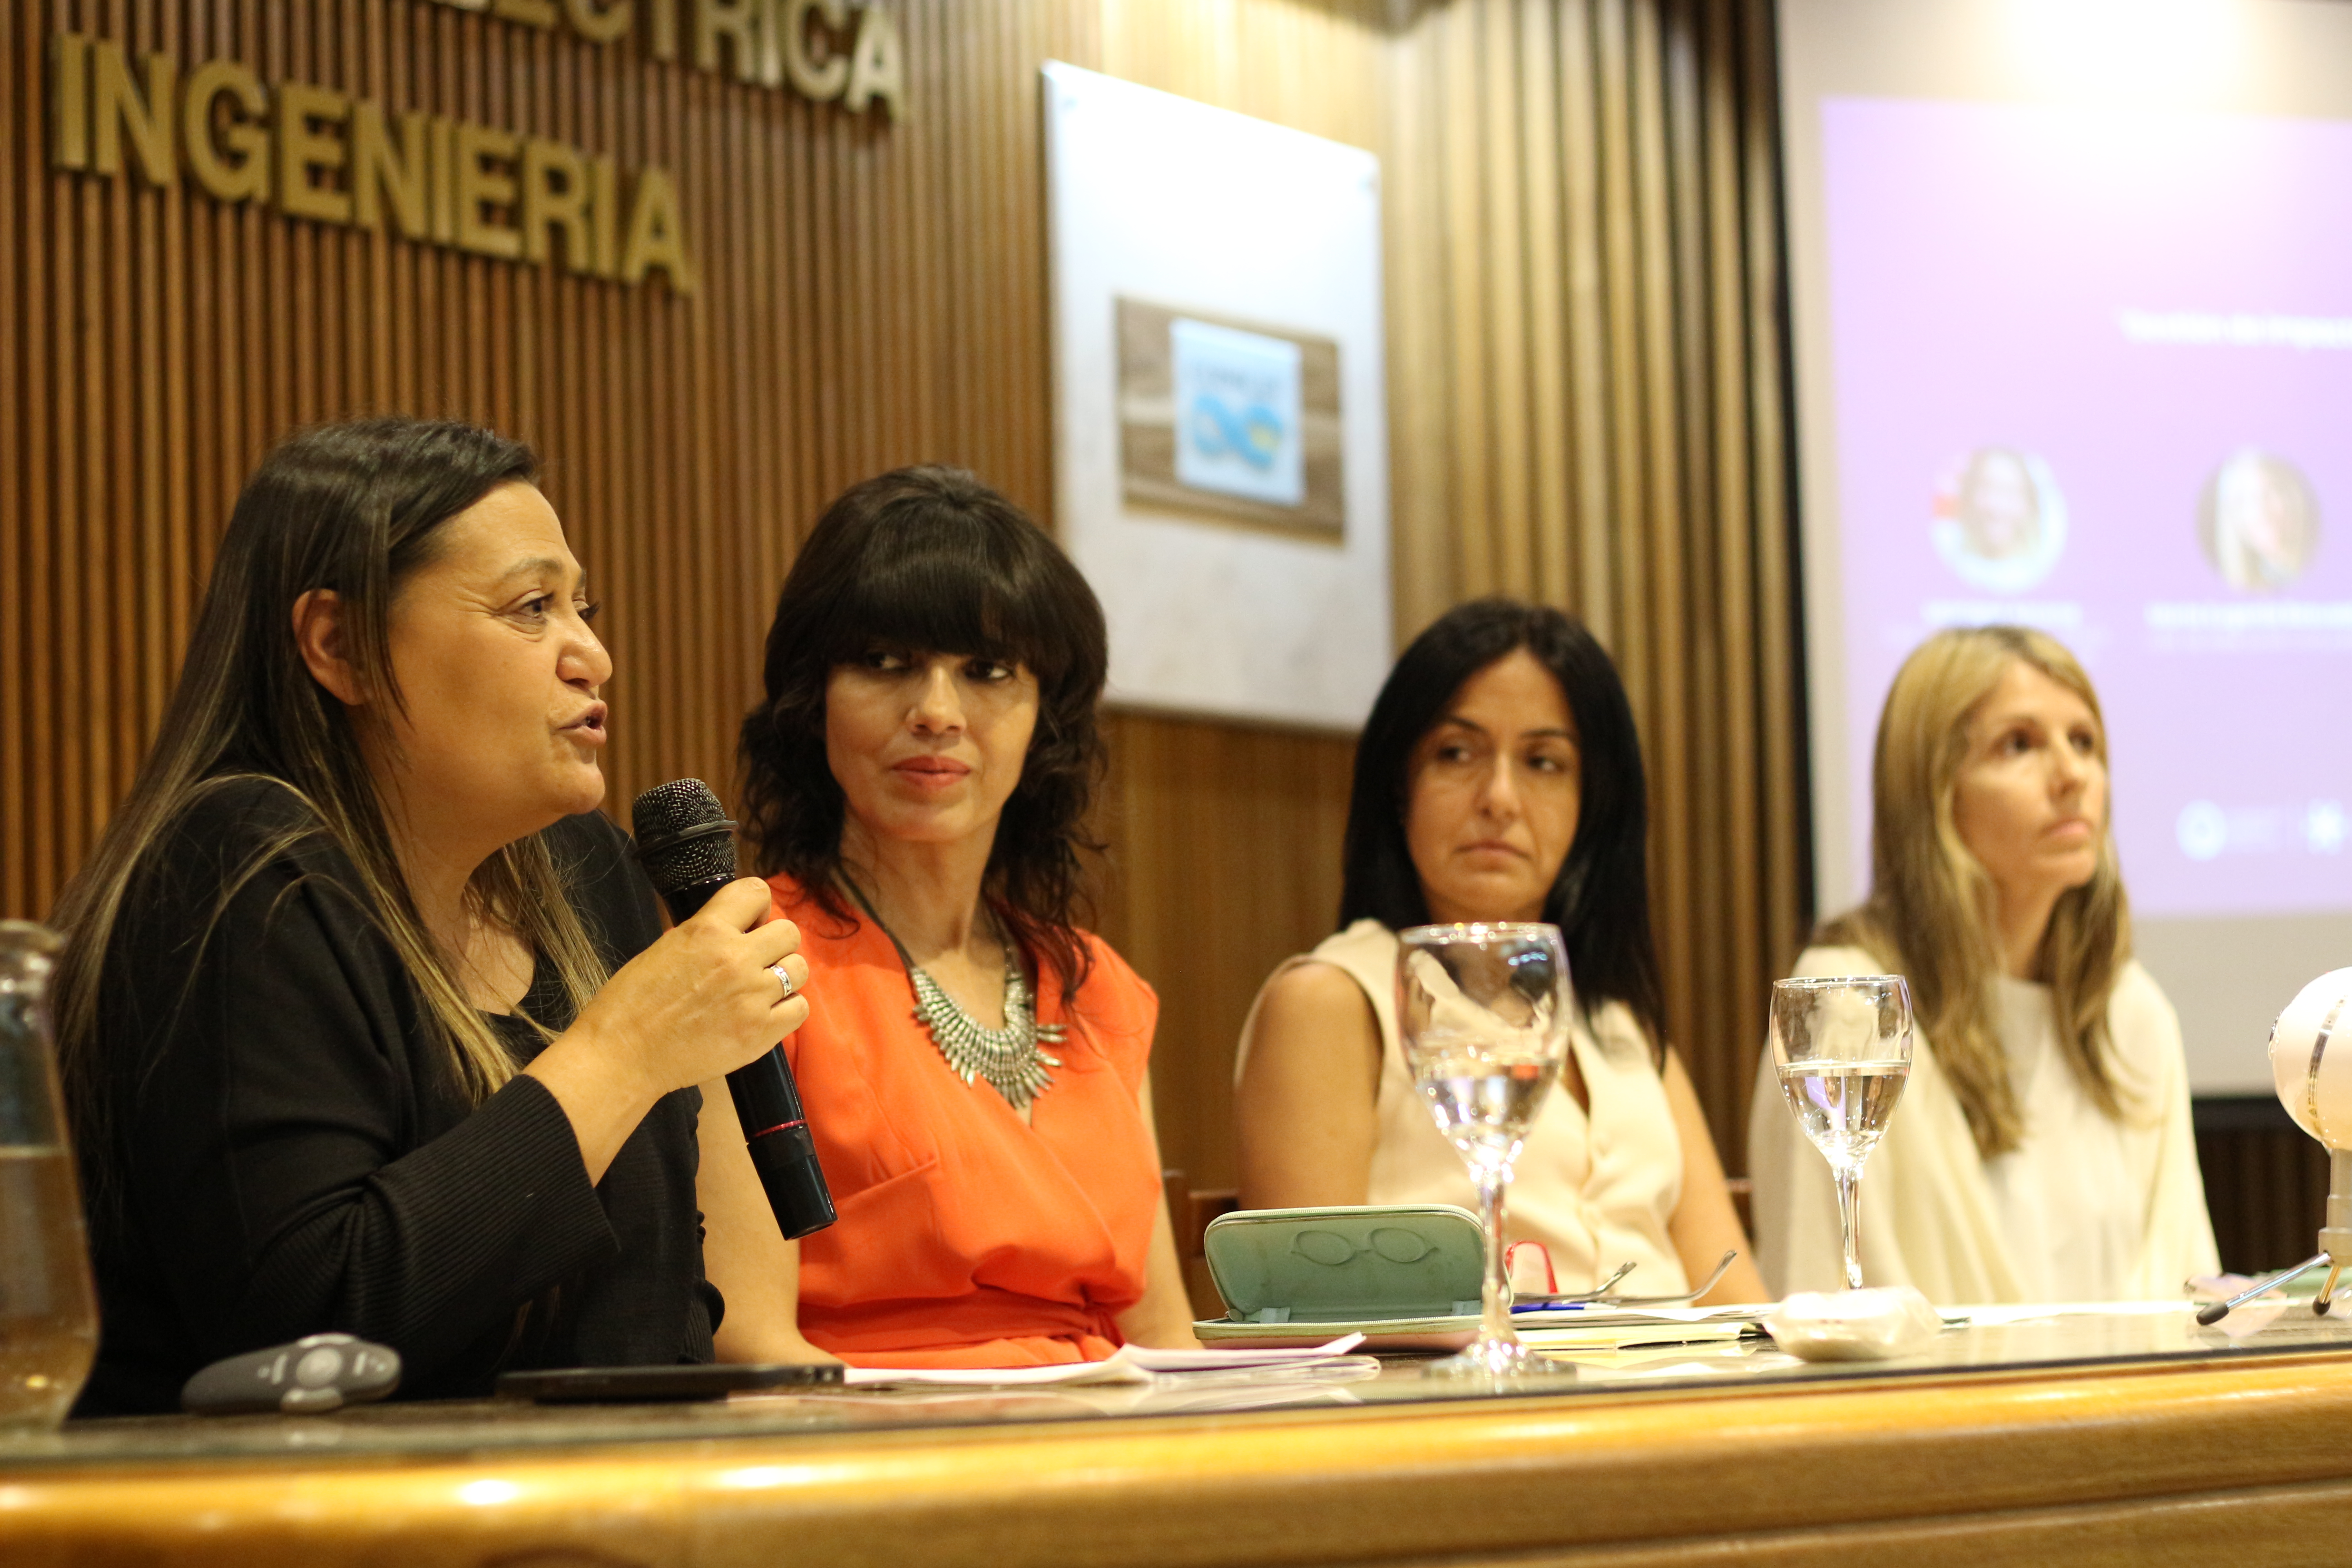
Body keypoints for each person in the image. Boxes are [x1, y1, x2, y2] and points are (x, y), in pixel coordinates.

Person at [50, 418, 816, 1415]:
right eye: (531, 608)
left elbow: (669, 1313)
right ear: (341, 647)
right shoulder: (237, 869)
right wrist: (624, 1051)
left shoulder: (587, 874)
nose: (593, 656)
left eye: (582, 608)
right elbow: (311, 1330)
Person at [727, 466, 1198, 1367]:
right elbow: (752, 1347)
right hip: (877, 1467)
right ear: (810, 698)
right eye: (884, 663)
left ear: (1044, 719)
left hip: (1114, 1462)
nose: (936, 713)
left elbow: (1162, 1336)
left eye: (986, 672)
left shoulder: (1099, 987)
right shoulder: (750, 961)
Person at [1234, 598, 1767, 1307]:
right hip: (1458, 1406)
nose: (1500, 798)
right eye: (1456, 754)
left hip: (1676, 1399)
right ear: (1399, 788)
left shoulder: (1617, 1020)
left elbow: (1739, 1300)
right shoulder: (1332, 1000)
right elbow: (1311, 1323)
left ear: (1592, 807)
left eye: (1544, 762)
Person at [1748, 626, 2217, 1302]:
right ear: (1934, 794)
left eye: (2084, 742)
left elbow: (2190, 1293)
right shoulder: (1848, 1010)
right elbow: (1817, 1290)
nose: (2071, 775)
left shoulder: (2131, 1013)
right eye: (2019, 745)